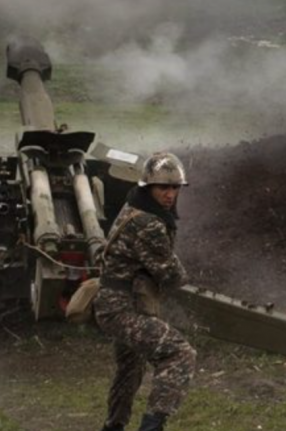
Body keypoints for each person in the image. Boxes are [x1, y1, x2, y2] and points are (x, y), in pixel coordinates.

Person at [94, 152, 197, 431]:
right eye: (163, 187)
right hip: (123, 309)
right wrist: (183, 275)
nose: (170, 194)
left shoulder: (133, 208)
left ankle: (113, 426)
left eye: (175, 188)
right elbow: (170, 274)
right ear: (147, 187)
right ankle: (152, 427)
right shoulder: (148, 223)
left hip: (118, 304)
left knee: (130, 369)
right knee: (180, 354)